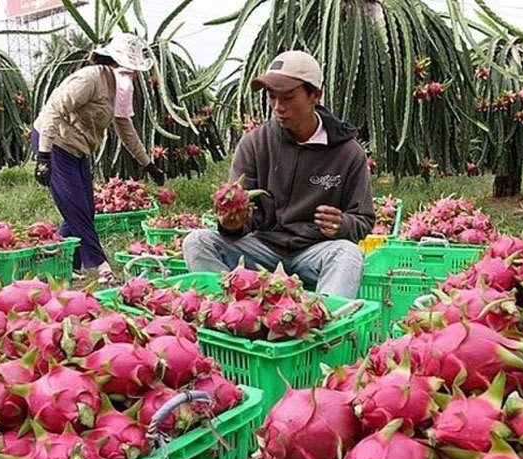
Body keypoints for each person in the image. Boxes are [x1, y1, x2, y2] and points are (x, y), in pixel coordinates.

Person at [183, 50, 374, 298]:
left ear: (315, 95)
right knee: (197, 242)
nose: (278, 107)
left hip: (314, 252)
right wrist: (231, 224)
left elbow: (364, 219)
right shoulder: (254, 144)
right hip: (262, 249)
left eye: (288, 97)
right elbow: (243, 215)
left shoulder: (348, 153)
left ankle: (324, 326)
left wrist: (343, 224)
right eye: (272, 97)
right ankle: (231, 312)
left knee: (348, 254)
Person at [31, 33, 165, 283]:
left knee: (85, 209)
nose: (134, 74)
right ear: (114, 62)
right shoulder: (89, 79)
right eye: (130, 68)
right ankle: (102, 269)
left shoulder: (120, 88)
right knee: (77, 209)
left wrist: (148, 163)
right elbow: (53, 109)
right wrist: (44, 155)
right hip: (55, 144)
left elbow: (126, 128)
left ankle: (62, 263)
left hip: (79, 150)